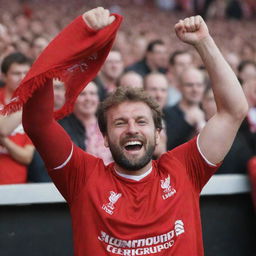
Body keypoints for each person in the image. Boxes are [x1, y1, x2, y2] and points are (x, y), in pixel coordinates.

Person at [20, 7, 248, 256]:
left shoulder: (184, 169)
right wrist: (75, 36)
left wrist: (204, 42)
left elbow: (233, 111)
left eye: (141, 121)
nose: (131, 130)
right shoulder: (83, 178)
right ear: (105, 138)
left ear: (158, 132)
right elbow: (37, 123)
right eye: (120, 123)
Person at [0, 52, 34, 184]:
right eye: (16, 73)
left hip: (17, 187)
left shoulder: (33, 107)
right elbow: (3, 129)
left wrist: (3, 140)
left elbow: (26, 157)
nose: (22, 78)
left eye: (26, 73)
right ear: (4, 76)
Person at [164, 67, 206, 150]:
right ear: (179, 87)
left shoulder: (209, 112)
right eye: (189, 85)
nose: (195, 89)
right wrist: (187, 122)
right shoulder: (167, 114)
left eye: (199, 85)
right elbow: (167, 146)